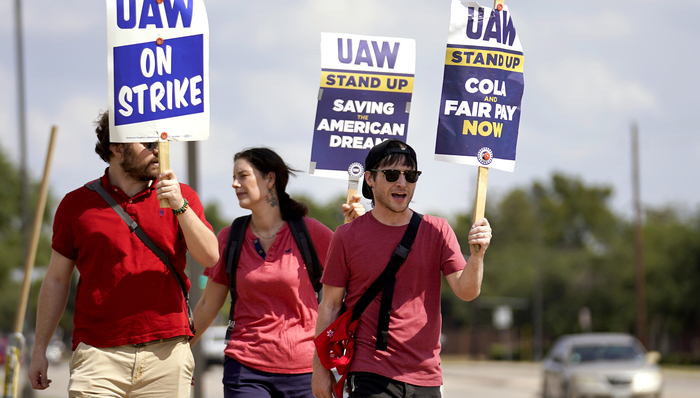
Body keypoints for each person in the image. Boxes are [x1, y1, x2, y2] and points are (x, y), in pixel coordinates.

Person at [28, 111, 219, 397]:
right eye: (148, 143)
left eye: (160, 142)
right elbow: (56, 280)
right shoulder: (75, 205)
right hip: (97, 355)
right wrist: (40, 348)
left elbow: (210, 257)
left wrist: (179, 205)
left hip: (166, 354)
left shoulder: (182, 196)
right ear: (116, 148)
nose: (158, 150)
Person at [311, 139, 493, 398]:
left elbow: (467, 291)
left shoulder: (437, 230)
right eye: (392, 174)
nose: (402, 183)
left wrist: (478, 255)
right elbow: (329, 306)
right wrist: (320, 370)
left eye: (411, 175)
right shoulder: (346, 236)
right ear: (370, 179)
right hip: (368, 372)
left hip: (426, 375)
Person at [190, 147, 364, 398]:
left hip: (305, 370)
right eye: (233, 177)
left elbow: (356, 274)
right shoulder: (230, 238)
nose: (234, 184)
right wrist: (182, 352)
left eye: (242, 176)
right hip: (244, 368)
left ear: (270, 179)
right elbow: (208, 303)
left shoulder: (311, 233)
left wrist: (354, 230)